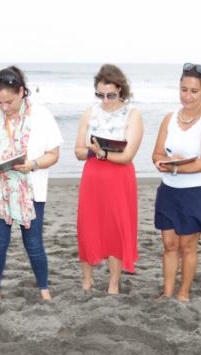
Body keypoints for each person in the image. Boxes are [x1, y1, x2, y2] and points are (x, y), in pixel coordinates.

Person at [0, 66, 62, 300]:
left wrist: (32, 164)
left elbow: (54, 154)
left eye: (9, 102)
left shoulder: (41, 116)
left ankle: (44, 290)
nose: (4, 107)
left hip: (31, 189)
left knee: (33, 243)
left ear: (22, 91)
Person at [150, 63, 201, 302]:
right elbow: (156, 155)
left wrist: (174, 167)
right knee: (169, 244)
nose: (188, 96)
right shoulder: (170, 118)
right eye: (184, 90)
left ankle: (183, 294)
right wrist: (166, 163)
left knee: (187, 246)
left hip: (197, 191)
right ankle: (168, 292)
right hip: (169, 190)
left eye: (193, 91)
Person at [74, 64, 143, 294]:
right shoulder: (89, 112)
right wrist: (94, 151)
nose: (105, 100)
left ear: (121, 90)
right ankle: (87, 281)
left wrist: (104, 153)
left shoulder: (132, 114)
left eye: (110, 95)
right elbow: (78, 151)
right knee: (88, 225)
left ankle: (113, 284)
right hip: (93, 175)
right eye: (100, 94)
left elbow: (127, 156)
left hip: (119, 178)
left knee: (115, 227)